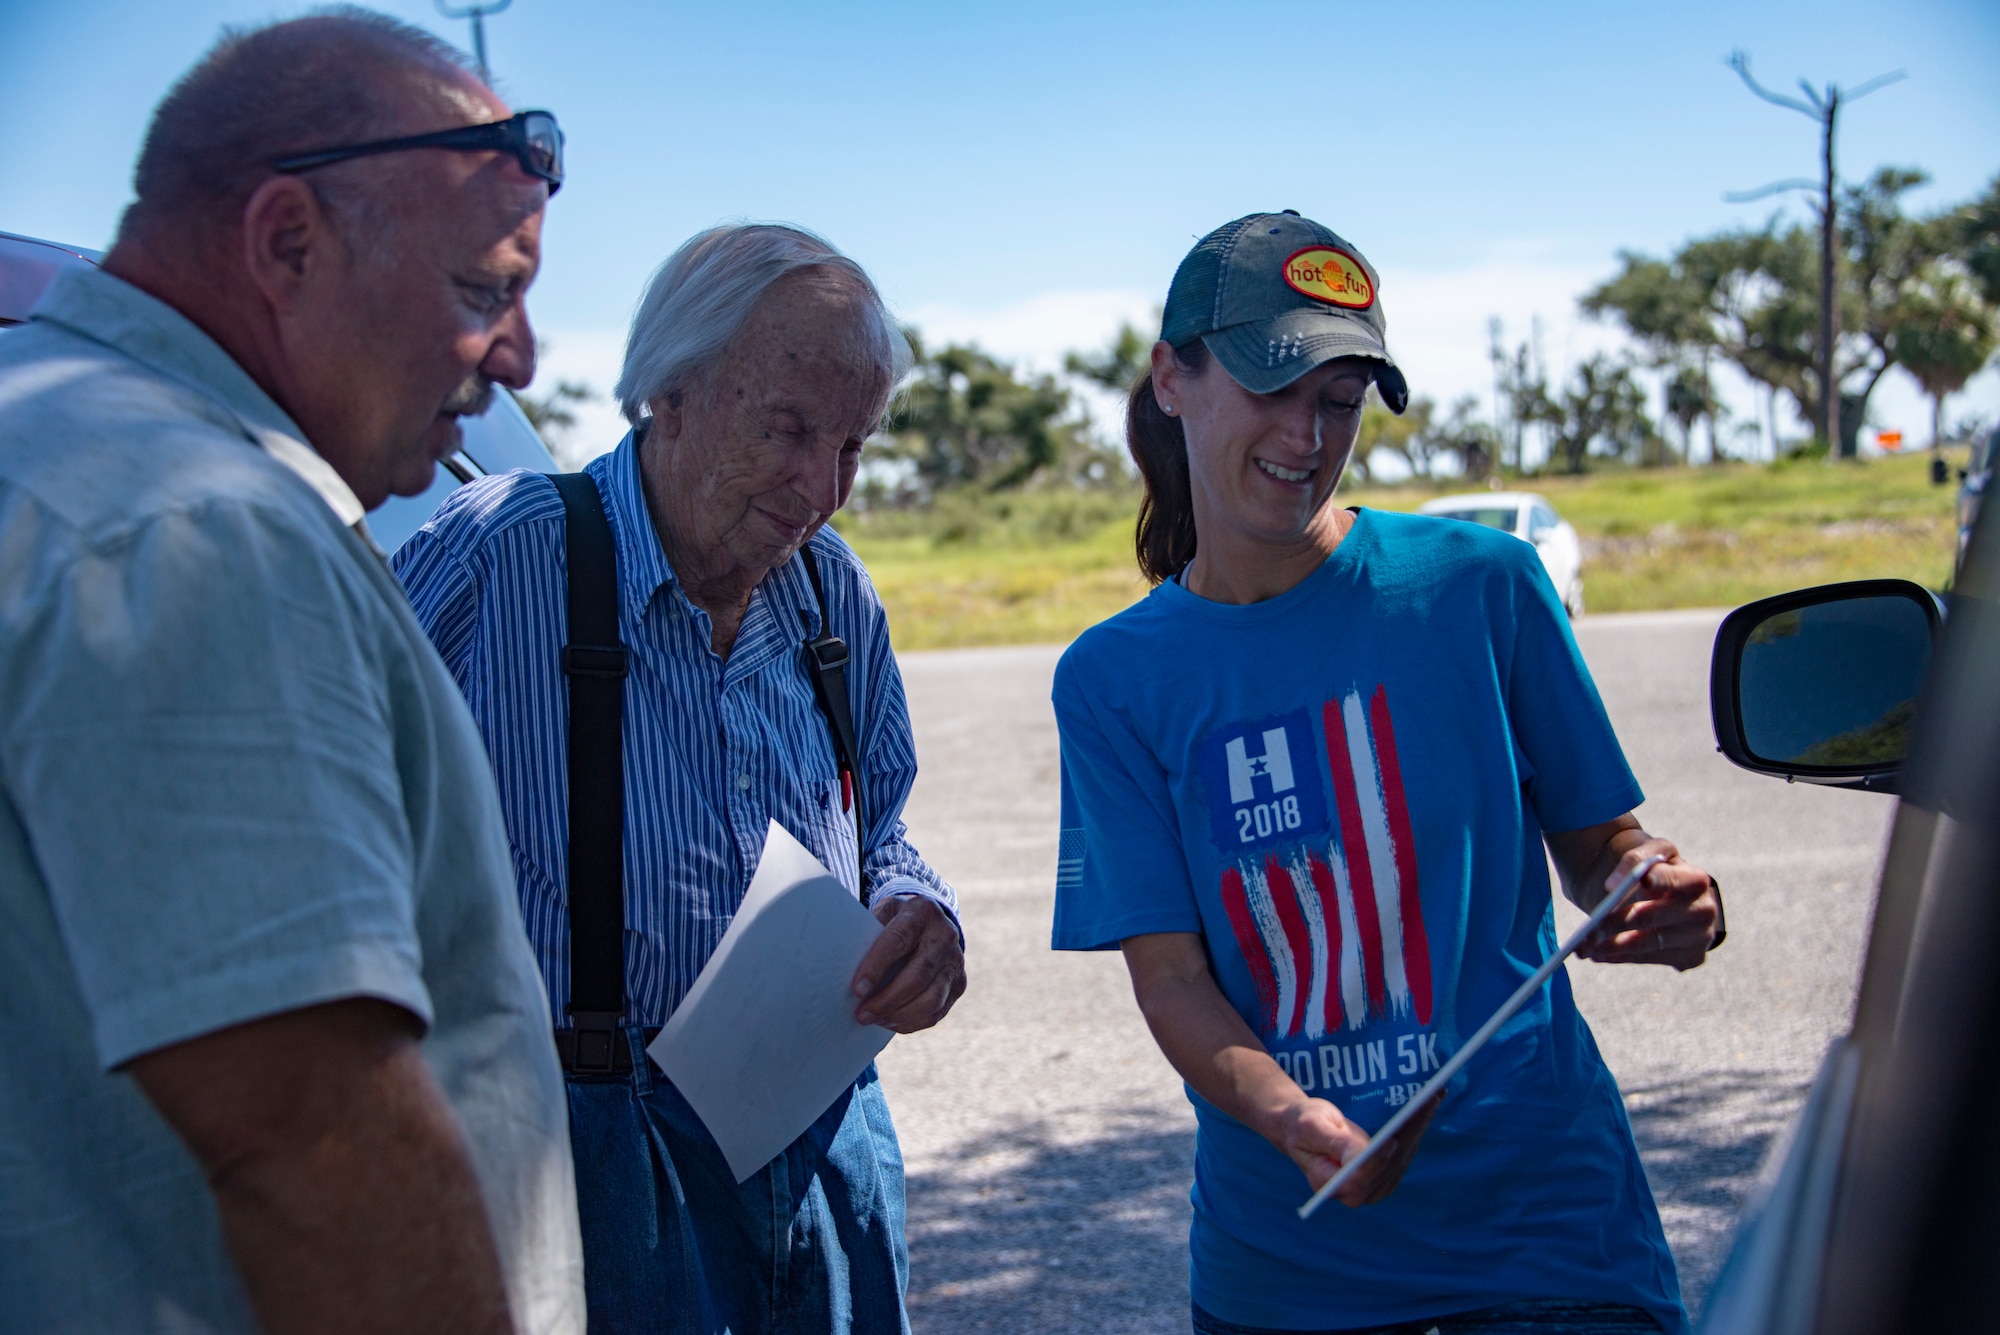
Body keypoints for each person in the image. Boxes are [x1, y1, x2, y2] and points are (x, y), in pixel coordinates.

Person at [0, 13, 584, 1334]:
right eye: (485, 290)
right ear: (286, 243)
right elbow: (310, 1140)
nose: (521, 365)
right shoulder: (203, 526)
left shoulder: (51, 451)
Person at [1050, 213, 1725, 1335]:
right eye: (1273, 387)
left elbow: (1604, 845)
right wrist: (1289, 1119)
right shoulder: (1113, 679)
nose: (1307, 435)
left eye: (1339, 400)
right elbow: (1169, 979)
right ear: (1172, 378)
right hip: (1289, 1272)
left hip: (1548, 1244)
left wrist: (1656, 886)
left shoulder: (1484, 587)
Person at [395, 222, 968, 1334]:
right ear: (668, 389)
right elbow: (346, 843)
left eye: (850, 444)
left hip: (820, 1136)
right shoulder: (498, 558)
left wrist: (918, 911)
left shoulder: (831, 595)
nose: (822, 486)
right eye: (789, 429)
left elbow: (881, 826)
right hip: (582, 1154)